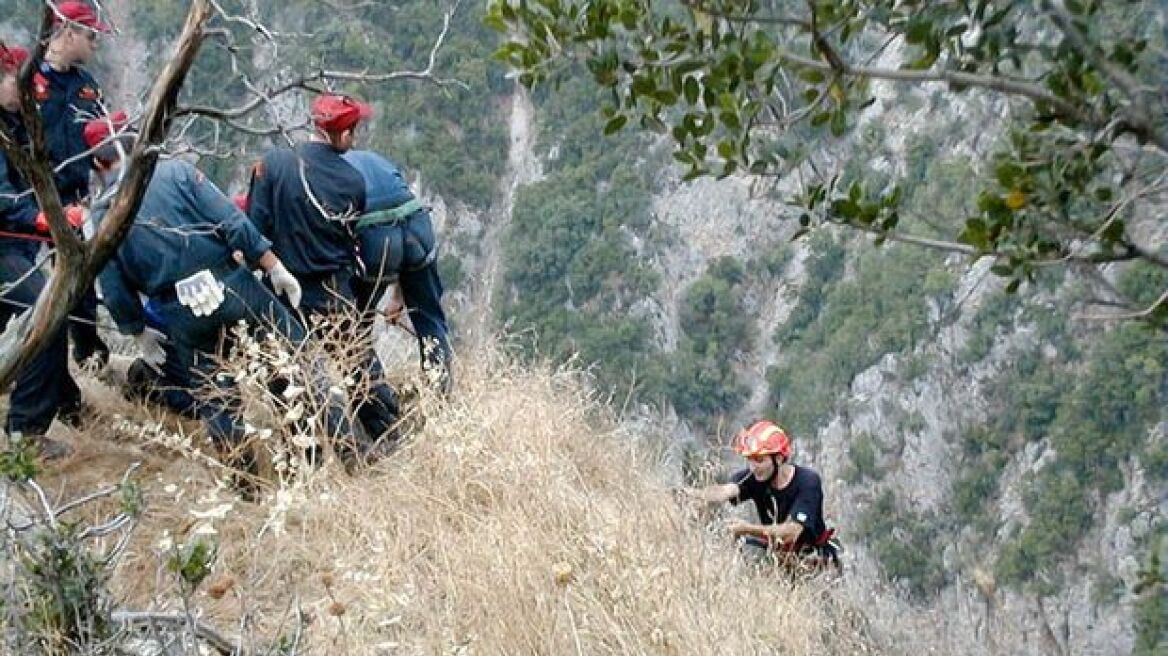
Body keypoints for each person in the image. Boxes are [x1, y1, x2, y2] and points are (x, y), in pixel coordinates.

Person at [83, 114, 350, 468]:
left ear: (99, 163)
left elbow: (113, 287)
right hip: (231, 284)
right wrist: (273, 265)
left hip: (178, 309)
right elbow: (232, 221)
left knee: (217, 397)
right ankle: (339, 454)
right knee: (294, 361)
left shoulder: (101, 215)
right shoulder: (175, 172)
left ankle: (245, 483)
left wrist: (138, 331)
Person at [247, 93, 401, 456]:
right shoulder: (352, 181)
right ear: (341, 134)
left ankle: (308, 450)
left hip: (282, 290)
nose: (356, 137)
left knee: (286, 372)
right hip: (333, 291)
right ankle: (386, 435)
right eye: (353, 130)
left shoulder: (272, 163)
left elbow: (255, 229)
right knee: (356, 362)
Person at [0, 44, 84, 459]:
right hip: (4, 248)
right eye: (20, 86)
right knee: (45, 318)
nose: (27, 95)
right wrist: (43, 217)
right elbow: (2, 196)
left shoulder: (14, 124)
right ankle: (26, 432)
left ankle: (63, 403)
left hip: (13, 243)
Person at [35, 1, 112, 367]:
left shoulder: (86, 87)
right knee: (32, 283)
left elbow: (102, 136)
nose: (95, 44)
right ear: (68, 32)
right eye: (90, 35)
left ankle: (88, 353)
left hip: (77, 197)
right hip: (33, 197)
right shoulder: (26, 78)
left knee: (82, 277)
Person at [344, 149, 452, 394]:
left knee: (355, 329)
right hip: (417, 226)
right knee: (430, 322)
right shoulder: (376, 160)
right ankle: (440, 400)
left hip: (375, 239)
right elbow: (401, 225)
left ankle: (380, 405)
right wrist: (398, 297)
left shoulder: (332, 170)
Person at [685, 420, 841, 571]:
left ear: (778, 459)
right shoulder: (755, 477)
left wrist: (746, 529)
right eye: (750, 461)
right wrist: (693, 494)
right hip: (780, 560)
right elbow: (725, 491)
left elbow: (791, 533)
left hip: (814, 563)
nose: (753, 468)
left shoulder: (807, 482)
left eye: (759, 460)